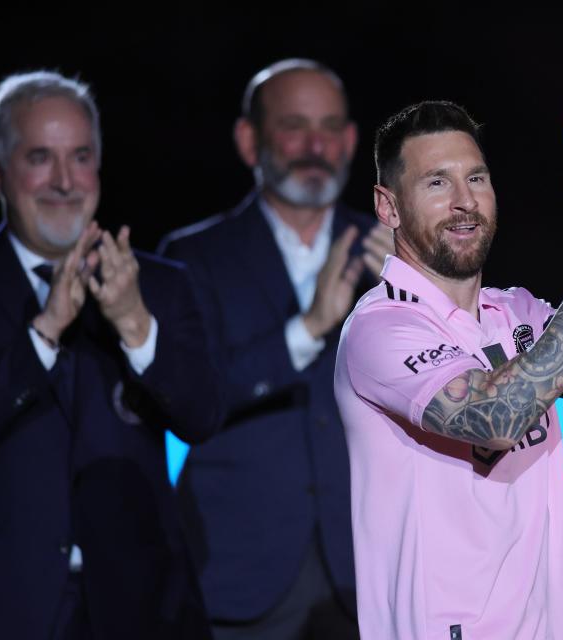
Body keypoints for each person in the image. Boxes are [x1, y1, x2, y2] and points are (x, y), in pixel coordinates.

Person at [334, 100, 563, 639]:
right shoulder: (380, 328)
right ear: (388, 207)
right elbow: (495, 419)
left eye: (476, 178)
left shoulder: (519, 312)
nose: (465, 202)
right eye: (437, 183)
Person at [159, 59, 390, 639]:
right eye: (294, 125)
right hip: (240, 571)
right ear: (248, 140)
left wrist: (418, 291)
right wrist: (309, 328)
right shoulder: (190, 258)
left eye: (330, 127)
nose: (316, 145)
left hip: (370, 568)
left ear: (351, 140)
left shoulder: (398, 258)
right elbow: (191, 401)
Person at [0, 71, 220, 639]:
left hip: (144, 608)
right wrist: (44, 332)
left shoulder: (160, 284)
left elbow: (202, 416)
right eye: (40, 157)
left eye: (81, 156)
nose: (65, 181)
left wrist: (136, 326)